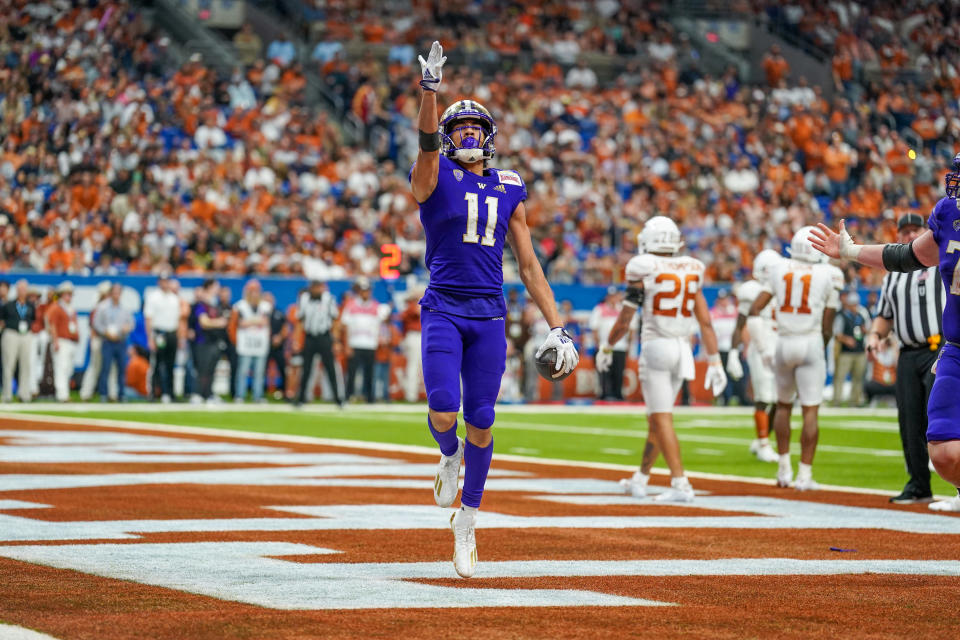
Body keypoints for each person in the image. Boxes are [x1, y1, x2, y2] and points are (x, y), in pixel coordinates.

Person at [410, 41, 579, 578]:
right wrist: (430, 92)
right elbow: (422, 146)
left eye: (474, 129)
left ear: (488, 138)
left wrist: (559, 326)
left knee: (481, 418)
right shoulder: (433, 176)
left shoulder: (509, 187)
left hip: (487, 314)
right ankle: (448, 455)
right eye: (457, 129)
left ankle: (469, 519)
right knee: (443, 410)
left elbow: (529, 265)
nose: (467, 136)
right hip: (442, 306)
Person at [810, 178, 960, 511]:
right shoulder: (949, 215)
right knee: (944, 450)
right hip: (953, 349)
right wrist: (849, 251)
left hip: (938, 346)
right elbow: (906, 256)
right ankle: (924, 485)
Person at [596, 216, 728, 503]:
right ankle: (641, 478)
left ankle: (681, 484)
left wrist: (607, 346)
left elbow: (626, 317)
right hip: (683, 350)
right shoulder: (692, 267)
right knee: (658, 418)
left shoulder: (644, 267)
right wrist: (715, 359)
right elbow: (705, 321)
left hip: (657, 346)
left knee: (661, 417)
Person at [748, 227, 845, 490]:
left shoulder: (778, 269)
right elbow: (828, 324)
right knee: (810, 411)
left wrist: (764, 348)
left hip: (784, 341)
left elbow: (754, 309)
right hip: (810, 340)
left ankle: (783, 470)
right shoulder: (829, 274)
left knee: (782, 406)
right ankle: (804, 475)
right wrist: (820, 348)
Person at [865, 214, 943, 502]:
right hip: (908, 353)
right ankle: (919, 484)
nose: (910, 236)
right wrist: (875, 336)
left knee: (940, 418)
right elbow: (884, 316)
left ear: (926, 232)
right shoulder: (892, 276)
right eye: (905, 231)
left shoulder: (939, 263)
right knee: (910, 421)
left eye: (915, 230)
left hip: (940, 349)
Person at [727, 250, 782, 463]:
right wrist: (733, 352)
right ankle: (764, 444)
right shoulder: (752, 290)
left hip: (781, 346)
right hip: (761, 347)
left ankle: (762, 439)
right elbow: (740, 323)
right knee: (763, 398)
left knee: (781, 398)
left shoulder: (784, 289)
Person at [295, 280, 342, 407]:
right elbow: (300, 319)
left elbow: (335, 319)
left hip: (324, 336)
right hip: (310, 336)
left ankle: (338, 398)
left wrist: (336, 340)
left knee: (330, 368)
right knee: (306, 369)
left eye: (318, 287)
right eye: (314, 287)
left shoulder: (329, 299)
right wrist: (297, 340)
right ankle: (301, 398)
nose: (316, 290)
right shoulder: (304, 298)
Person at [341, 276, 385, 404]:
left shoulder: (376, 306)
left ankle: (369, 397)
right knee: (352, 373)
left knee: (369, 373)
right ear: (359, 291)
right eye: (364, 290)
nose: (366, 293)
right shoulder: (351, 305)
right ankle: (348, 395)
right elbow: (345, 326)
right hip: (355, 343)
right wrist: (347, 345)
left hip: (370, 344)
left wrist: (378, 340)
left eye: (368, 290)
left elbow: (381, 325)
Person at [143, 274, 182, 403]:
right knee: (158, 363)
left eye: (167, 281)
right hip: (159, 333)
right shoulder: (153, 297)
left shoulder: (174, 298)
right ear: (159, 282)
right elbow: (149, 319)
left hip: (172, 332)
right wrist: (150, 338)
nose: (165, 284)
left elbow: (178, 319)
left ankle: (170, 393)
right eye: (163, 281)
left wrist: (180, 337)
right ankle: (154, 392)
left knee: (171, 364)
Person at [93, 284, 134, 402]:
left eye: (118, 292)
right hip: (107, 340)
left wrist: (128, 328)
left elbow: (131, 323)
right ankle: (103, 394)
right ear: (111, 293)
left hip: (121, 340)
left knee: (122, 369)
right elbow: (96, 323)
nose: (116, 295)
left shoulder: (125, 308)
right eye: (114, 292)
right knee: (105, 368)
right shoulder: (103, 307)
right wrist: (105, 332)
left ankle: (121, 393)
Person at [190, 279, 229, 404]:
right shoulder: (202, 304)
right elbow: (204, 322)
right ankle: (197, 393)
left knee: (211, 369)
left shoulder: (215, 305)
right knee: (203, 368)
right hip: (203, 341)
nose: (218, 290)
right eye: (216, 287)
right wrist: (218, 323)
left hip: (214, 341)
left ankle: (209, 394)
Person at [233, 280, 271, 403]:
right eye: (252, 291)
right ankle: (240, 395)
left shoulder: (265, 305)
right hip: (246, 342)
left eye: (256, 291)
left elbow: (265, 322)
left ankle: (258, 396)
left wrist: (249, 322)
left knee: (259, 372)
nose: (254, 294)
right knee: (243, 371)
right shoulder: (240, 305)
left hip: (260, 342)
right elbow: (241, 323)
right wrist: (256, 321)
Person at [833, 291, 871, 406]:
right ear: (848, 304)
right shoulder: (841, 316)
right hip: (845, 352)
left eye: (856, 304)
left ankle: (854, 400)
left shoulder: (860, 316)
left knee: (858, 377)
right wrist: (846, 340)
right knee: (840, 377)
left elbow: (866, 330)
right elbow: (837, 333)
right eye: (853, 304)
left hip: (859, 351)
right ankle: (837, 400)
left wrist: (865, 331)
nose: (855, 306)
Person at [0, 280, 36, 403]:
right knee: (9, 364)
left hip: (26, 335)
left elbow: (33, 319)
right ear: (17, 290)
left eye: (24, 289)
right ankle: (7, 394)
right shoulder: (8, 305)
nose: (22, 291)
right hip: (11, 334)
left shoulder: (30, 305)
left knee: (25, 365)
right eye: (20, 289)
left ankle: (24, 394)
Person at [589, 287, 628, 400]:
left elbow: (629, 328)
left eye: (615, 295)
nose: (613, 298)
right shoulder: (599, 309)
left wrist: (629, 345)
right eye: (611, 296)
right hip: (604, 346)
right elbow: (594, 328)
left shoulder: (622, 309)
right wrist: (598, 345)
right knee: (603, 372)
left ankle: (618, 395)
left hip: (620, 346)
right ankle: (604, 394)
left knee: (619, 372)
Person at [710, 288, 745, 405]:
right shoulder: (713, 313)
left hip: (735, 349)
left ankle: (740, 398)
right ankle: (724, 398)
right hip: (721, 348)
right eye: (721, 299)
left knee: (738, 374)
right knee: (723, 375)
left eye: (725, 299)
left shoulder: (735, 311)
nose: (723, 301)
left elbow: (741, 330)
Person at [46, 282, 79, 402]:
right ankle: (62, 395)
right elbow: (51, 324)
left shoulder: (71, 309)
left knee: (68, 369)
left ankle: (65, 392)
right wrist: (55, 340)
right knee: (61, 367)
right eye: (66, 294)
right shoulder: (56, 307)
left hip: (71, 341)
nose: (69, 297)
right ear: (61, 295)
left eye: (70, 294)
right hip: (61, 340)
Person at [80, 281, 112, 401]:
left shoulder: (111, 306)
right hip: (99, 339)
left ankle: (110, 393)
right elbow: (93, 325)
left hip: (109, 340)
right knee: (95, 366)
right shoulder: (98, 307)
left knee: (110, 368)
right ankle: (86, 393)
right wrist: (93, 339)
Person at [263, 292, 289, 400]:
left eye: (270, 300)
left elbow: (285, 327)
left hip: (278, 346)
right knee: (262, 370)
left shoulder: (279, 312)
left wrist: (279, 338)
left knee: (283, 369)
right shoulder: (262, 313)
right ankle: (260, 392)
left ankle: (285, 391)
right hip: (264, 346)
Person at [400, 292, 423, 402]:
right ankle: (411, 395)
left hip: (424, 335)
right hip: (413, 335)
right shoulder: (411, 306)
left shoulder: (419, 304)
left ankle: (422, 394)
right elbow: (416, 313)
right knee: (413, 366)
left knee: (423, 367)